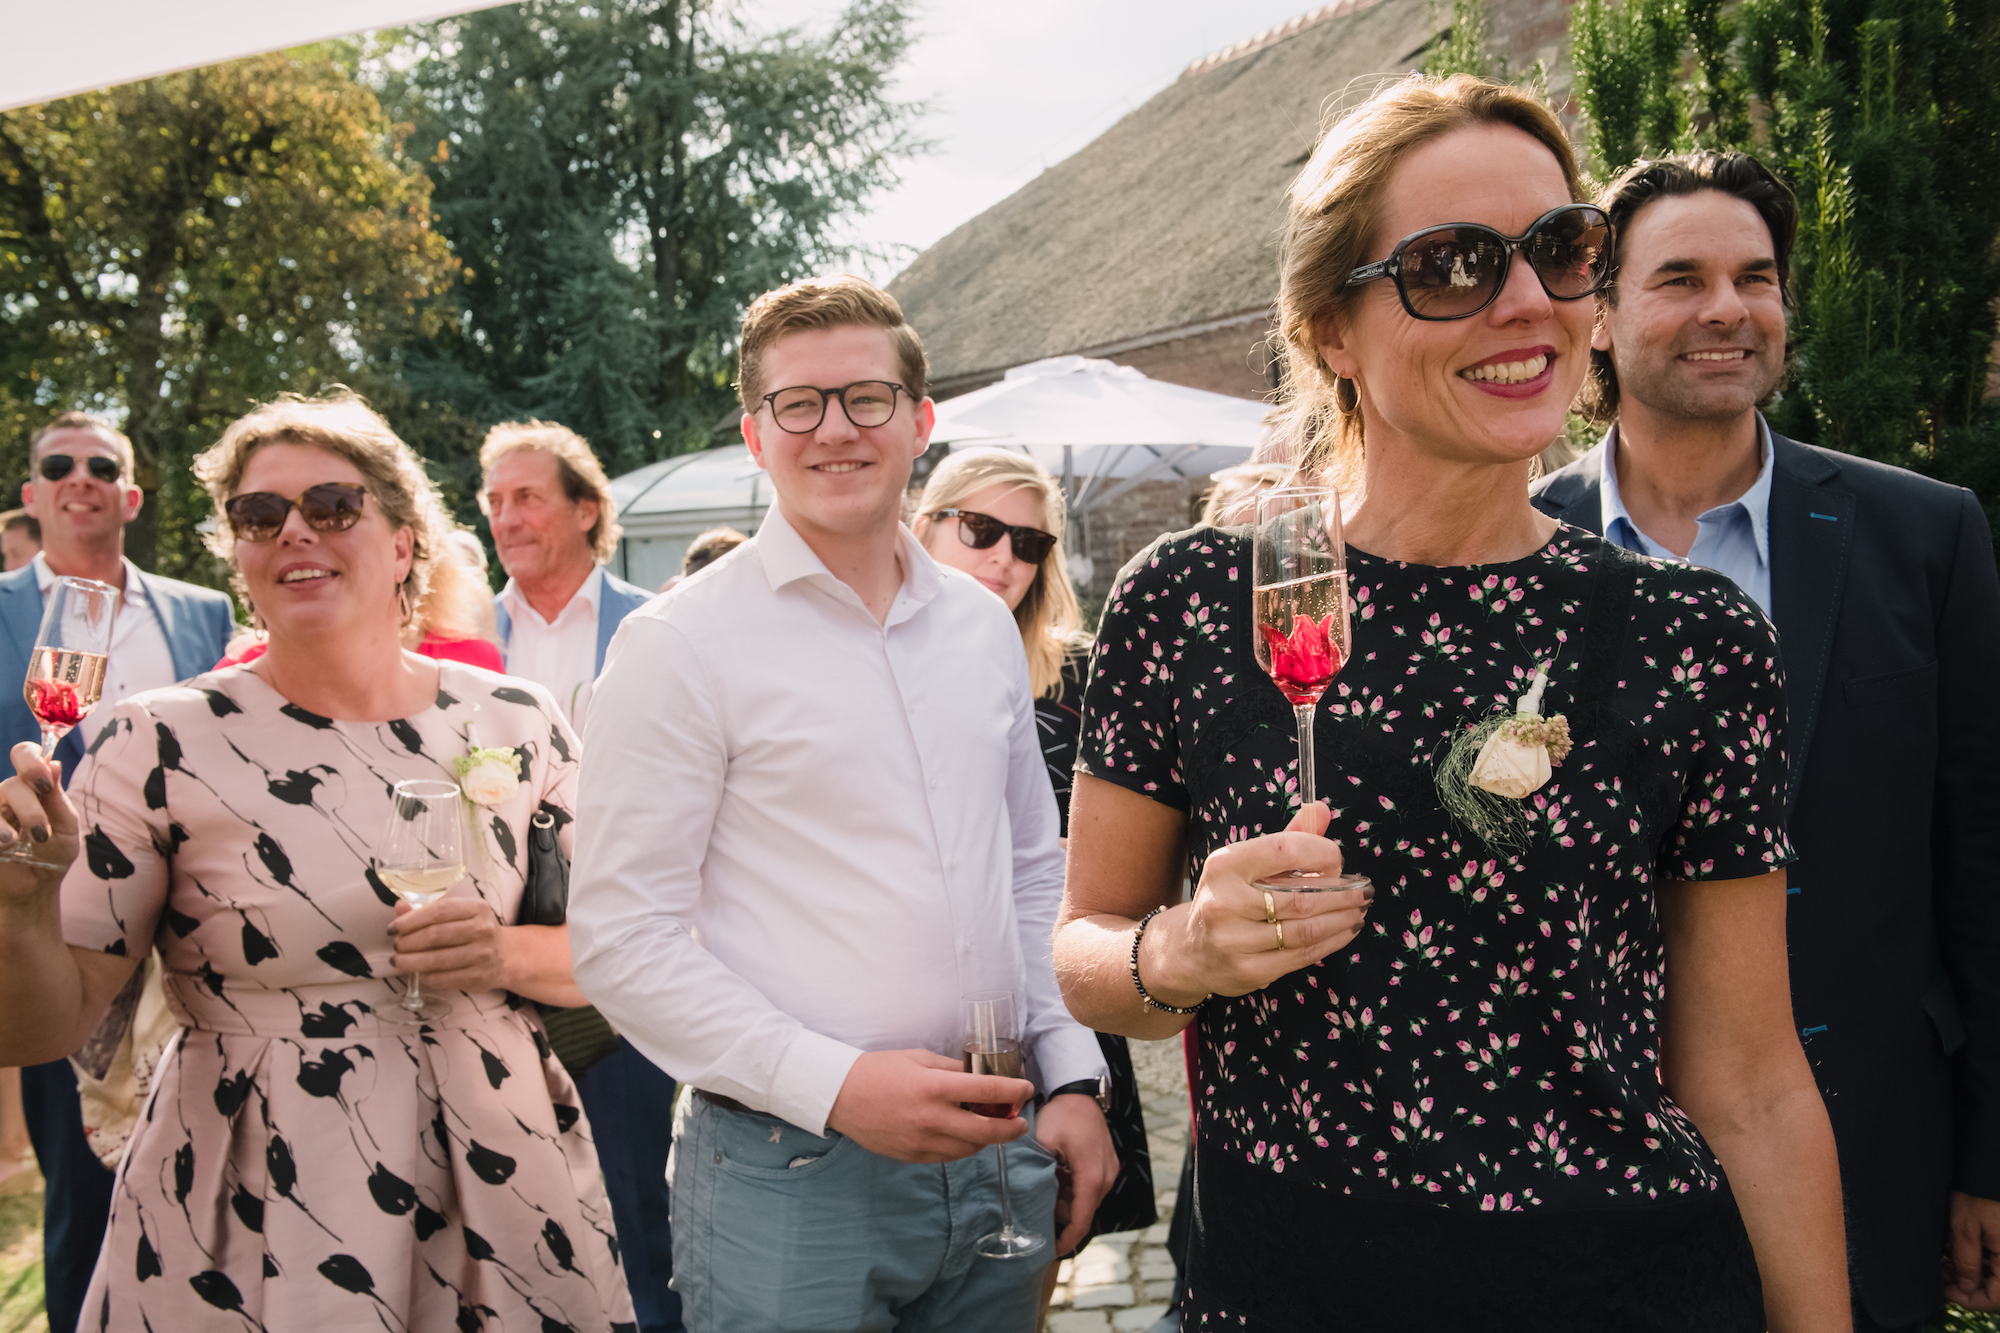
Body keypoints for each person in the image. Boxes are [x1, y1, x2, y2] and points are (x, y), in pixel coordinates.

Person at [1052, 74, 1850, 1332]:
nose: (1526, 299)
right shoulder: (1194, 599)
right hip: (1286, 1285)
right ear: (1330, 327)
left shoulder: (1692, 636)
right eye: (1452, 264)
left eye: (1560, 249)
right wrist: (1183, 951)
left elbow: (1747, 1077)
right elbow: (1087, 949)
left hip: (1622, 1288)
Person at [0, 391, 634, 1330]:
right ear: (240, 554)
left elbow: (623, 950)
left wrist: (503, 954)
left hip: (497, 1169)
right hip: (255, 1183)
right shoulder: (154, 740)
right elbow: (41, 1029)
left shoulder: (516, 718)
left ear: (404, 543)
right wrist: (19, 908)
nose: (295, 530)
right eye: (259, 515)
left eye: (333, 506)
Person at [569, 274, 1115, 1333]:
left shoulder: (979, 628)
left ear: (919, 422)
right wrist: (834, 1084)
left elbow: (1026, 869)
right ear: (754, 434)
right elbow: (621, 939)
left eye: (866, 398)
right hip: (790, 1170)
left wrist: (1071, 1078)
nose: (834, 429)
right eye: (797, 404)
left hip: (999, 1142)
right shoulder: (679, 644)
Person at [1530, 151, 2000, 1332]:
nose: (1727, 308)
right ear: (1598, 314)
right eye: (1679, 278)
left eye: (1754, 277)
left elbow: (1981, 855)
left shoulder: (1923, 534)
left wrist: (1987, 1151)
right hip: (1583, 1161)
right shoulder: (1515, 548)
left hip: (1870, 1142)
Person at [0, 412, 235, 1333]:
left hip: (188, 929)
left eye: (102, 465)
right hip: (51, 925)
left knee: (201, 1176)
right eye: (59, 464)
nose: (81, 477)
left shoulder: (202, 612)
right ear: (32, 493)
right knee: (81, 1191)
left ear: (131, 496)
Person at [910, 447, 1156, 1313]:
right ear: (924, 525)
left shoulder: (1079, 674)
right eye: (981, 529)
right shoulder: (882, 666)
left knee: (1030, 1264)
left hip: (1057, 999)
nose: (1004, 557)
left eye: (1030, 542)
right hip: (926, 1006)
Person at [478, 420, 677, 1333]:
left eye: (527, 496)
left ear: (587, 509)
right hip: (489, 963)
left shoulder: (658, 625)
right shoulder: (458, 637)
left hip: (626, 956)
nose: (505, 516)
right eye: (493, 500)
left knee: (639, 1211)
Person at [216, 522, 504, 671]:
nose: (296, 534)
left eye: (337, 515)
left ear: (403, 551)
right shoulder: (240, 672)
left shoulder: (472, 660)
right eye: (263, 518)